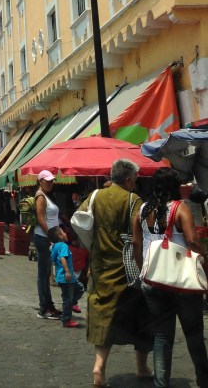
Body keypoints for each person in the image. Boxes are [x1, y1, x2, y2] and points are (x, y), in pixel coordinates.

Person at [78, 158, 152, 387]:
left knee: (103, 317)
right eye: (135, 180)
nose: (136, 183)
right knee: (142, 315)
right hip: (128, 269)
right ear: (128, 179)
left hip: (101, 267)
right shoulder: (134, 201)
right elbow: (141, 238)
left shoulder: (95, 196)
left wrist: (93, 245)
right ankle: (142, 367)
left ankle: (98, 369)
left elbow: (79, 222)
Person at [133, 167, 208, 388]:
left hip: (153, 280)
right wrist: (203, 258)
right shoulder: (179, 208)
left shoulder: (142, 210)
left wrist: (143, 270)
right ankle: (204, 380)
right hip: (181, 281)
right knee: (194, 333)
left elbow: (136, 243)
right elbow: (193, 241)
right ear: (174, 186)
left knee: (162, 336)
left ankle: (161, 383)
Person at [34, 170, 62, 320]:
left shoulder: (46, 196)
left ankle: (49, 305)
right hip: (43, 238)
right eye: (48, 181)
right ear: (41, 181)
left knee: (46, 273)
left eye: (52, 181)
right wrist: (50, 236)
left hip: (47, 238)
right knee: (43, 275)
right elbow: (40, 219)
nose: (50, 183)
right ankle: (43, 308)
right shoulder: (40, 196)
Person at [48, 226, 84, 329]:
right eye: (63, 232)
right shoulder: (63, 246)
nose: (65, 234)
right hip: (66, 277)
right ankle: (66, 320)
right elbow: (63, 258)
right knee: (67, 299)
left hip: (62, 277)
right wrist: (67, 272)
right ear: (60, 236)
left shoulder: (55, 246)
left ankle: (73, 303)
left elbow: (50, 249)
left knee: (80, 288)